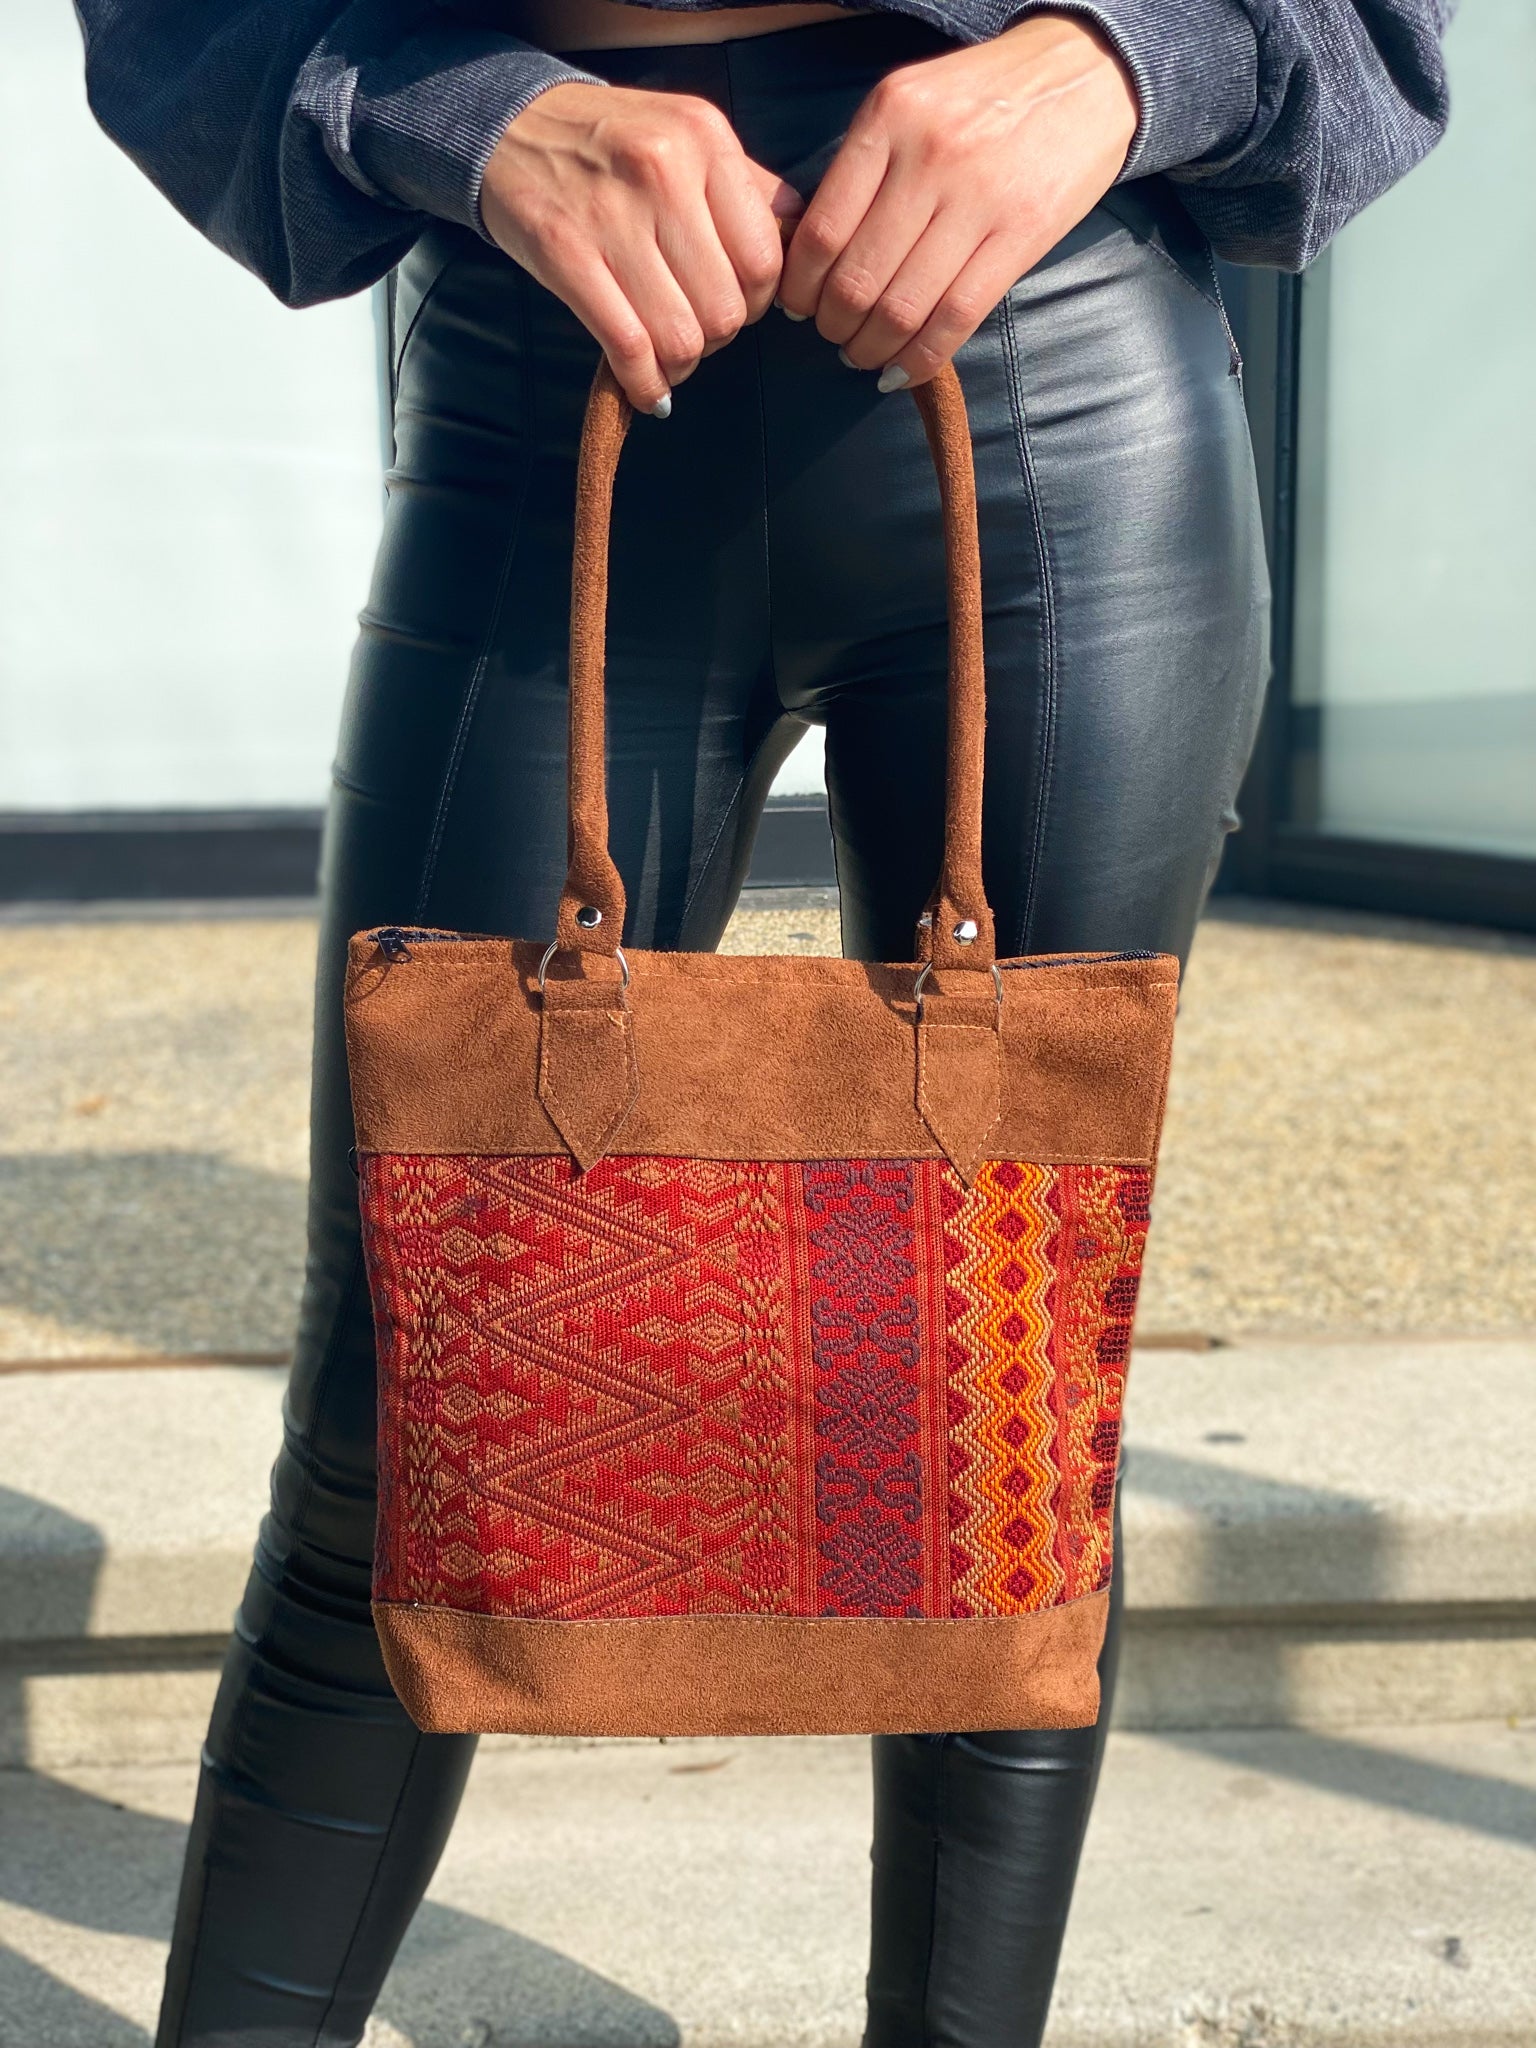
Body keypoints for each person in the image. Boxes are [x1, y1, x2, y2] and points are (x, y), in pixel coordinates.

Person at [72, 1, 1453, 2042]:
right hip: (563, 358)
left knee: (999, 1406)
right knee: (416, 1398)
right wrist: (474, 112)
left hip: (1062, 379)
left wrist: (1116, 59)